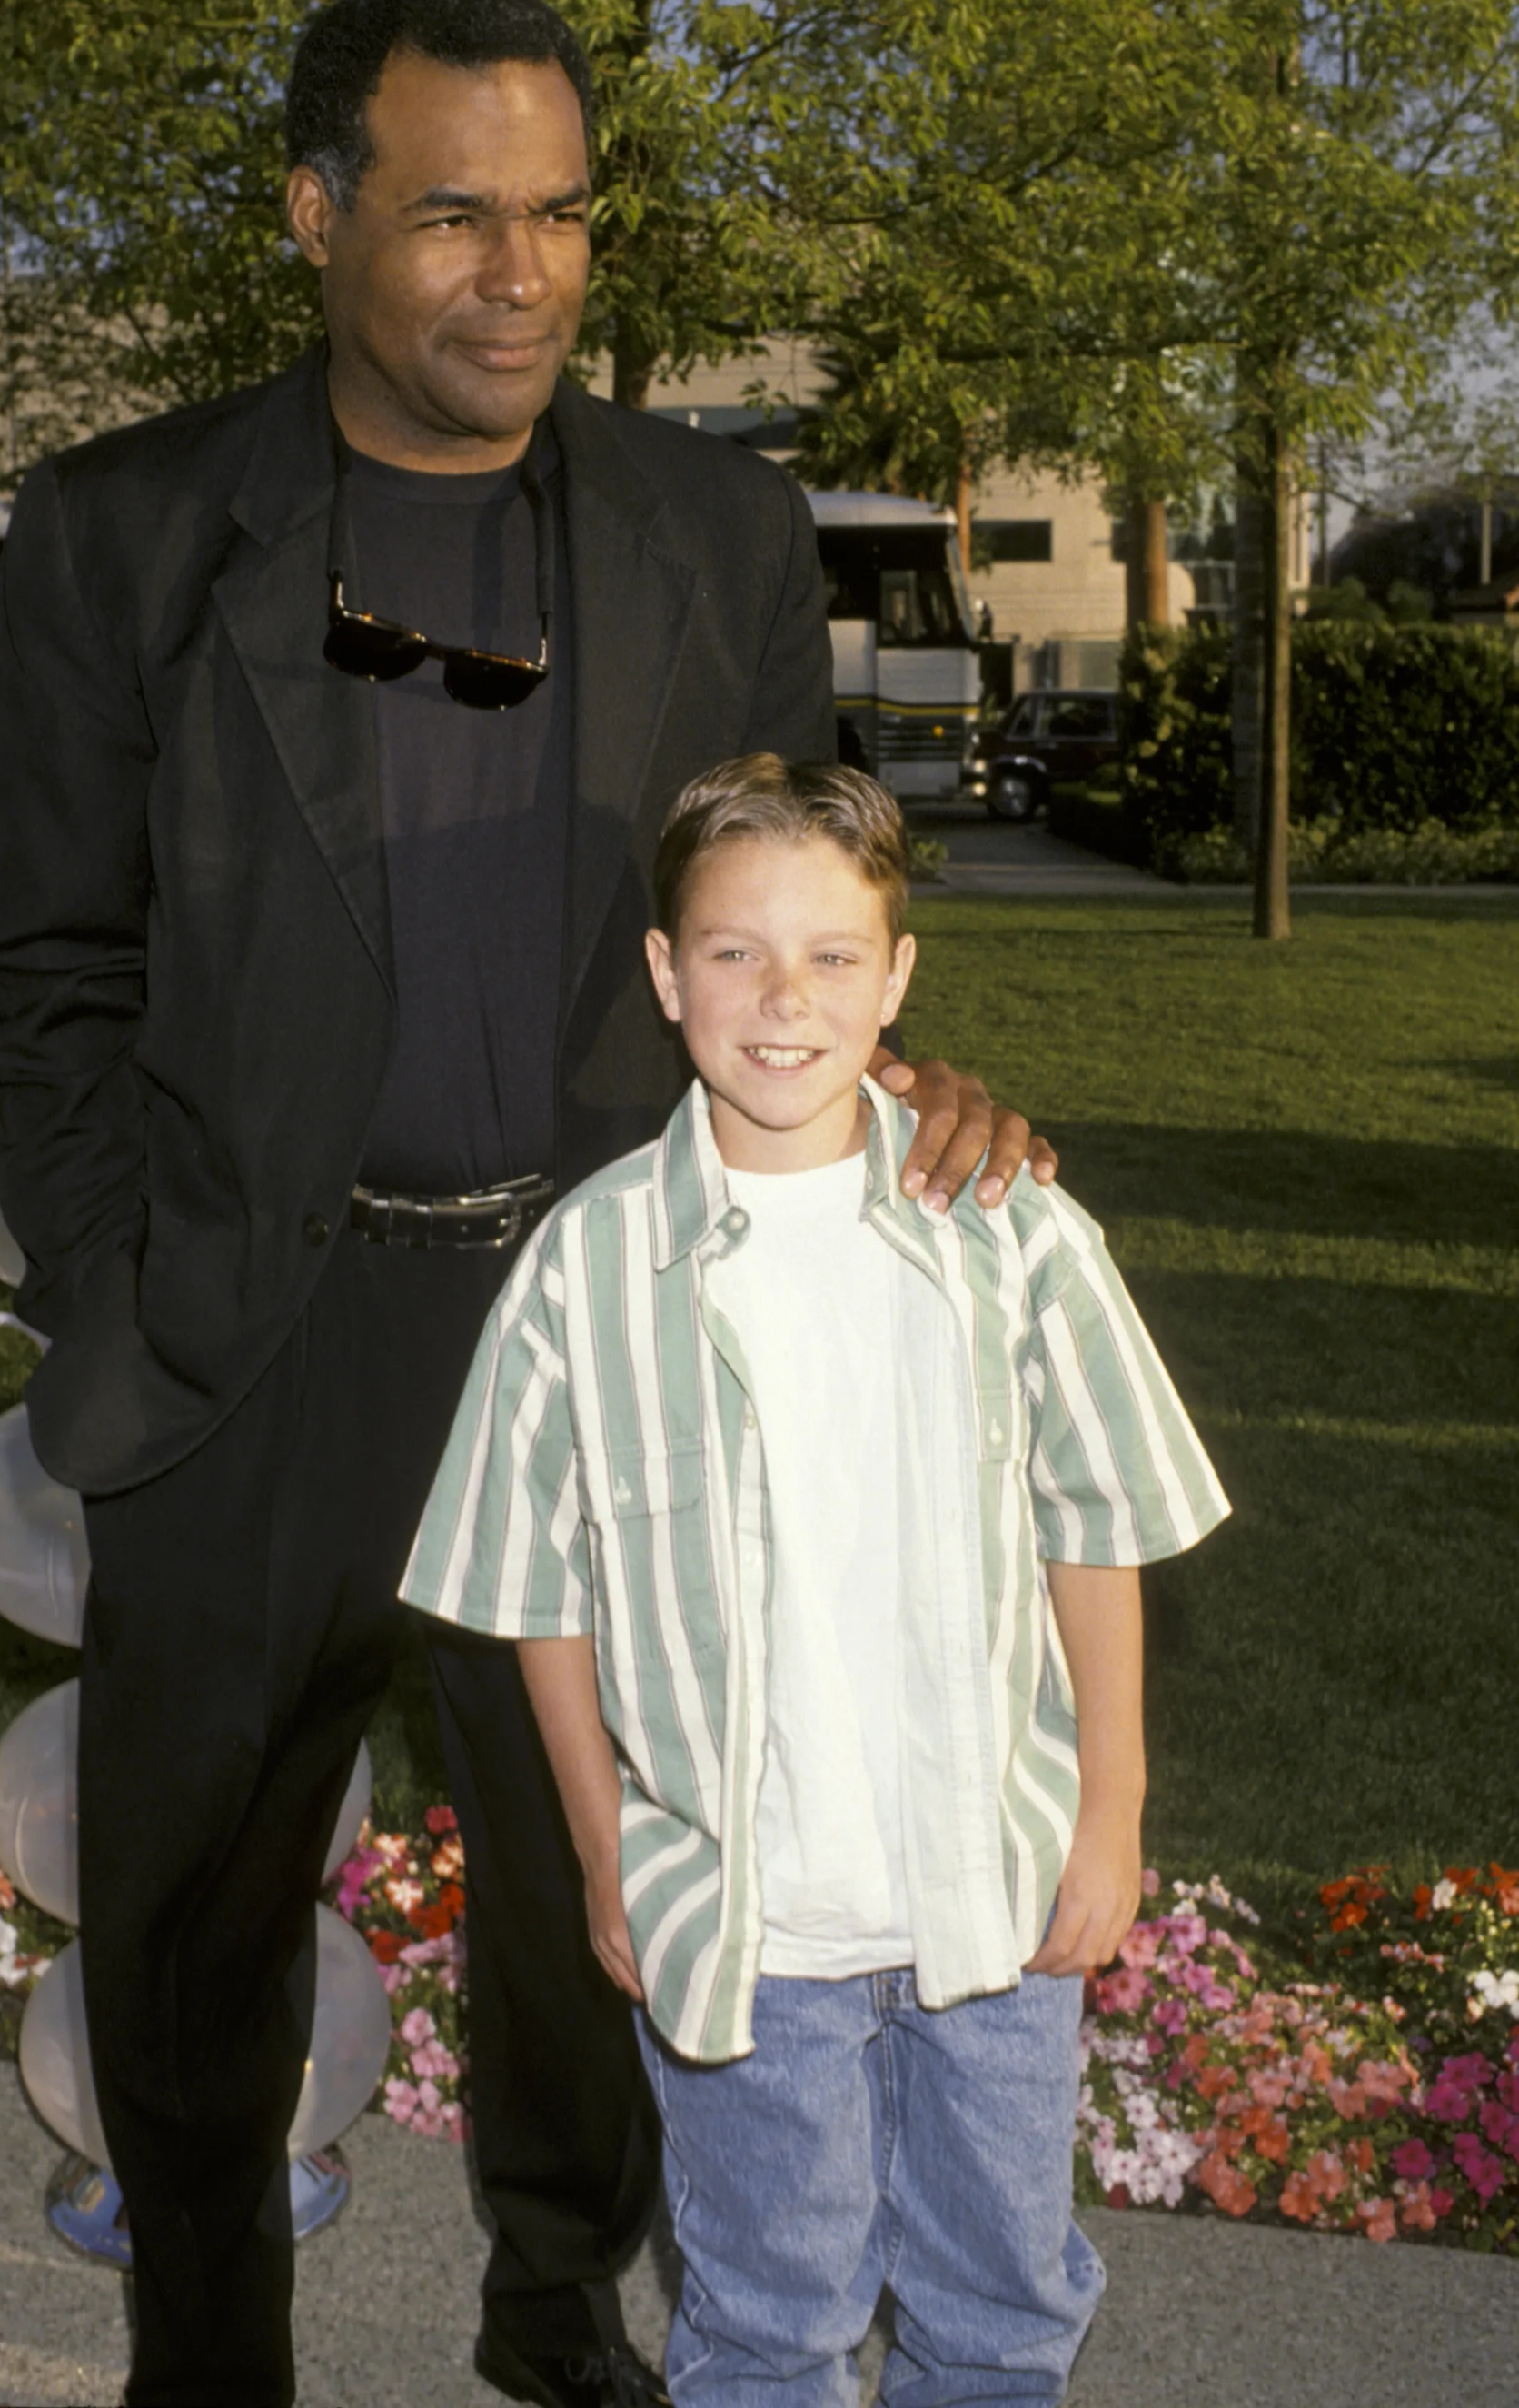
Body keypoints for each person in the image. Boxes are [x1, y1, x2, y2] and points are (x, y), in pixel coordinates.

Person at [0, 0, 1053, 2408]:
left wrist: (891, 1073)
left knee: (605, 1898)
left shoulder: (718, 530)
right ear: (318, 214)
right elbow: (43, 970)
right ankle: (207, 2344)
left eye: (557, 214)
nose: (520, 272)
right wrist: (129, 1289)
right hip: (256, 1347)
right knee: (198, 1894)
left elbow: (792, 902)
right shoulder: (124, 535)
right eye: (454, 211)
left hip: (602, 1336)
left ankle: (559, 2321)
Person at [403, 756, 1230, 2404]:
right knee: (768, 2316)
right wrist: (598, 1848)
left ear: (898, 978)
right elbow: (534, 1588)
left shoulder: (1014, 1236)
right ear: (663, 973)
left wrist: (1113, 1807)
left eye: (833, 957)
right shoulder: (586, 1267)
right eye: (734, 952)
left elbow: (1098, 1518)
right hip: (741, 1921)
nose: (785, 1000)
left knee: (1000, 2308)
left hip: (985, 1896)